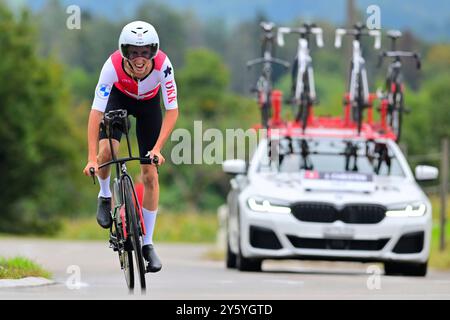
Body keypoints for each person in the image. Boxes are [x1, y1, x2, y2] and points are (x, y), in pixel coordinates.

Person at [82, 21, 179, 272]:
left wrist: (157, 148)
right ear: (124, 52)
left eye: (145, 52)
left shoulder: (163, 67)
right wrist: (92, 158)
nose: (140, 59)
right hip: (119, 98)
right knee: (107, 152)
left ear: (153, 52)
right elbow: (95, 112)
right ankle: (105, 195)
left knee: (150, 173)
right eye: (133, 52)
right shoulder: (111, 66)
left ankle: (147, 244)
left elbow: (172, 111)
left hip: (149, 106)